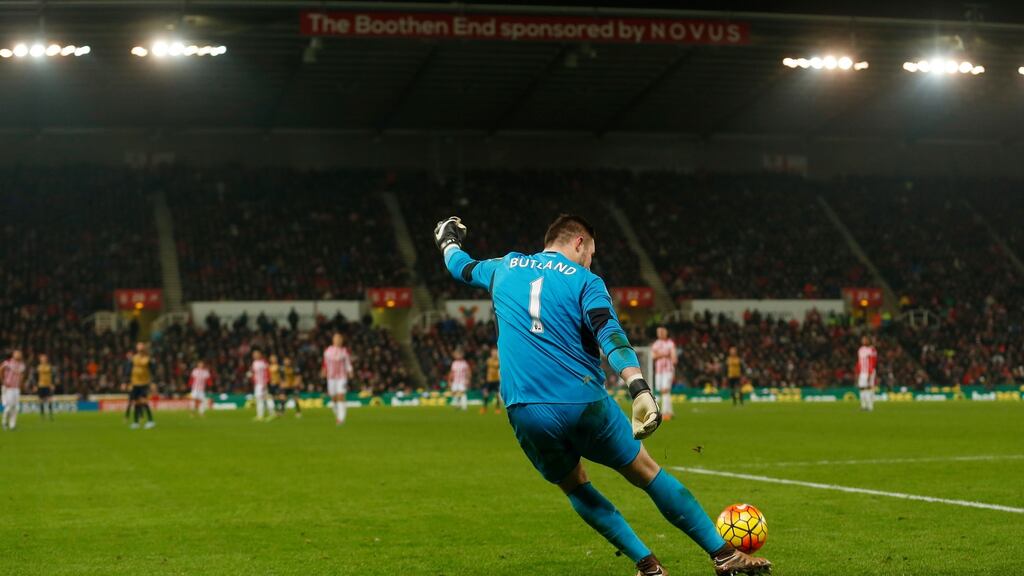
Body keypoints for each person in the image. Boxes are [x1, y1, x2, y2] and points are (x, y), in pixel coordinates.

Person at [435, 214, 770, 576]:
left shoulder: (503, 266)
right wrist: (638, 385)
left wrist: (447, 238)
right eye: (591, 252)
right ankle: (724, 555)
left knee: (576, 487)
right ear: (578, 242)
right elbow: (609, 333)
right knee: (646, 472)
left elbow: (460, 267)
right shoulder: (585, 280)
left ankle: (649, 565)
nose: (590, 260)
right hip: (581, 402)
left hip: (524, 408)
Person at [322, 333, 353, 425]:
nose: (338, 340)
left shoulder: (344, 351)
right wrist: (324, 371)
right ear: (333, 340)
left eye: (340, 338)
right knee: (333, 398)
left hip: (341, 377)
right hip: (331, 377)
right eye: (336, 338)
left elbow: (348, 363)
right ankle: (338, 412)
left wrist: (350, 371)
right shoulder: (328, 351)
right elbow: (325, 363)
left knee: (341, 396)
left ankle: (341, 418)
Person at [650, 327, 677, 420]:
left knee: (665, 390)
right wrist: (665, 354)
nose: (660, 333)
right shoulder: (656, 344)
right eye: (659, 332)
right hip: (659, 370)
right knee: (663, 391)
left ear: (666, 333)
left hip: (668, 369)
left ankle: (665, 412)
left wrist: (660, 354)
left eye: (662, 332)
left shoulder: (670, 343)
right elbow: (653, 356)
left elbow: (674, 359)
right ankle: (670, 412)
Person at [129, 343, 156, 429]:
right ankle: (136, 422)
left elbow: (153, 370)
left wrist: (153, 382)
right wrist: (127, 382)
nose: (139, 350)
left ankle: (150, 421)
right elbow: (129, 369)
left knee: (144, 402)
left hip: (144, 383)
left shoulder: (147, 359)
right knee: (136, 402)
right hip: (135, 383)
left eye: (141, 348)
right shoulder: (134, 358)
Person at [1, 350, 27, 431]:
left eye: (20, 353)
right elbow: (0, 370)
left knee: (16, 407)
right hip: (8, 388)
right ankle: (4, 422)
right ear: (13, 355)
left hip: (16, 388)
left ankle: (12, 425)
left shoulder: (22, 365)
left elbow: (22, 375)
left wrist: (21, 385)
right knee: (9, 406)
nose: (19, 354)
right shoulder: (7, 363)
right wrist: (3, 382)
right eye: (17, 353)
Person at [857, 335, 877, 412]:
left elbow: (872, 362)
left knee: (868, 388)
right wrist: (858, 372)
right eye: (862, 339)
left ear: (868, 341)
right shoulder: (860, 350)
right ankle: (863, 405)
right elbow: (859, 362)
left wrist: (870, 373)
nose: (863, 341)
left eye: (865, 340)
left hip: (868, 372)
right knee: (861, 388)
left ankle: (870, 406)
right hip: (862, 372)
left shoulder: (871, 350)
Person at [35, 353, 56, 421]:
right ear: (40, 359)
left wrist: (52, 384)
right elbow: (36, 376)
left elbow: (53, 376)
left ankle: (50, 415)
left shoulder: (49, 367)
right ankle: (42, 416)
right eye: (42, 358)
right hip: (41, 385)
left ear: (46, 359)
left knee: (50, 400)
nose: (43, 359)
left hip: (48, 385)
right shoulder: (38, 367)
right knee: (41, 401)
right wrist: (35, 385)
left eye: (44, 358)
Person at [251, 351, 271, 421]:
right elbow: (254, 373)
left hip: (262, 384)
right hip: (257, 384)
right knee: (259, 399)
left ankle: (271, 413)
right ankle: (260, 415)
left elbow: (267, 373)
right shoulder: (254, 363)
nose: (255, 355)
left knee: (266, 398)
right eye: (254, 354)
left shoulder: (263, 362)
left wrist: (265, 382)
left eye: (256, 354)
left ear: (260, 355)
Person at [482, 347, 501, 414]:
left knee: (497, 395)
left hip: (496, 380)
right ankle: (484, 408)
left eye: (495, 352)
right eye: (493, 352)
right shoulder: (489, 360)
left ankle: (497, 409)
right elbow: (485, 368)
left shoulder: (499, 360)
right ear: (491, 353)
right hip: (489, 380)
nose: (494, 353)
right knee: (486, 393)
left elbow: (498, 366)